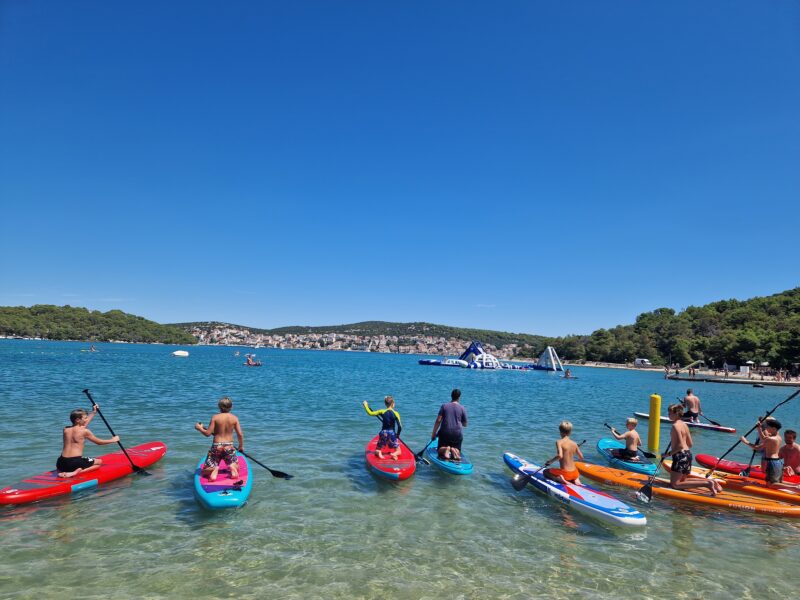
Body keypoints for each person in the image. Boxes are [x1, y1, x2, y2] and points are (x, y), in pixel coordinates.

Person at [666, 403, 722, 495]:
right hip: (687, 454)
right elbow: (690, 444)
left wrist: (668, 454)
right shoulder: (684, 425)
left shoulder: (675, 426)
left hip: (680, 456)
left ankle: (707, 483)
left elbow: (680, 446)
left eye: (669, 413)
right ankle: (712, 482)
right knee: (682, 481)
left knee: (675, 484)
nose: (668, 415)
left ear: (676, 414)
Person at [56, 405, 119, 478]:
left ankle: (64, 471)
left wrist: (94, 412)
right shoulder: (85, 431)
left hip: (60, 463)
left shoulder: (65, 429)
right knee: (99, 462)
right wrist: (113, 440)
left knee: (76, 461)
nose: (86, 420)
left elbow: (82, 425)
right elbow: (99, 442)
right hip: (74, 463)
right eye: (85, 418)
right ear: (78, 420)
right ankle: (75, 473)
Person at [195, 396, 244, 482]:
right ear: (231, 407)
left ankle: (214, 469)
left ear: (219, 407)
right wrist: (240, 446)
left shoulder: (215, 417)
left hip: (216, 446)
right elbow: (240, 434)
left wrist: (199, 428)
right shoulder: (234, 418)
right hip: (229, 446)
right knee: (237, 467)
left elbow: (208, 434)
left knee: (205, 471)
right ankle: (232, 467)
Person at [741, 417, 784, 485]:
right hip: (778, 462)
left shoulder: (771, 439)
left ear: (774, 429)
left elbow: (757, 448)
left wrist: (745, 441)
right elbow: (764, 439)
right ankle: (794, 486)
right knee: (777, 482)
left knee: (770, 484)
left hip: (772, 462)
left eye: (768, 427)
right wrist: (759, 429)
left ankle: (794, 488)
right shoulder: (778, 437)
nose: (766, 428)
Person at [431, 388, 468, 461]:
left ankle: (446, 449)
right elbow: (465, 424)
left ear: (451, 396)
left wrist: (433, 434)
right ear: (459, 397)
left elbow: (438, 420)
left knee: (439, 450)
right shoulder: (462, 408)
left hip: (445, 433)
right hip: (457, 434)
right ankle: (454, 450)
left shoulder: (444, 406)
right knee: (458, 450)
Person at [362, 396, 402, 460]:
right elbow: (400, 426)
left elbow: (370, 413)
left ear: (385, 404)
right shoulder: (396, 413)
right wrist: (398, 434)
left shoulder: (382, 411)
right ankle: (394, 454)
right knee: (399, 451)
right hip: (392, 433)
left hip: (383, 433)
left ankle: (378, 452)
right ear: (393, 404)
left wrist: (366, 405)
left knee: (378, 447)